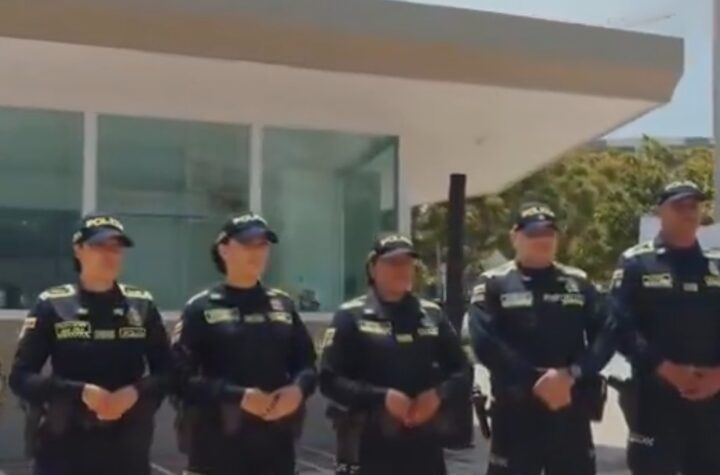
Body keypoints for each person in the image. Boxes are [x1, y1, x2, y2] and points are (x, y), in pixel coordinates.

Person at [8, 213, 172, 475]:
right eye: (99, 246)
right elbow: (21, 378)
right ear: (79, 249)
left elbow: (169, 373)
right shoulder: (54, 304)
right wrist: (80, 392)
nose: (109, 254)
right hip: (64, 452)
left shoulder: (140, 305)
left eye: (116, 248)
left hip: (127, 452)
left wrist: (134, 392)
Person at [468, 202, 615, 475]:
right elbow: (485, 343)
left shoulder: (579, 282)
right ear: (515, 237)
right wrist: (537, 381)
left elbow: (606, 334)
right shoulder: (493, 283)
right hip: (516, 414)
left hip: (570, 409)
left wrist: (571, 374)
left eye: (549, 232)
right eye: (533, 233)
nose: (543, 239)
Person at [172, 213, 317, 475]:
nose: (257, 252)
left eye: (263, 245)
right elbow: (178, 379)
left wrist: (298, 390)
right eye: (247, 244)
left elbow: (307, 364)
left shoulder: (282, 305)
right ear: (224, 250)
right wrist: (237, 396)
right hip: (216, 451)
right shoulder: (201, 308)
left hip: (275, 449)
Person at [319, 234, 472, 475]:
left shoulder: (431, 314)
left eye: (407, 263)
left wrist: (438, 394)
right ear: (373, 268)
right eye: (392, 262)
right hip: (369, 446)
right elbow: (329, 379)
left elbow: (462, 370)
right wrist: (382, 398)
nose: (401, 269)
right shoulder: (350, 316)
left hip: (424, 448)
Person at [609, 180, 720, 474]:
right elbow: (619, 326)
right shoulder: (636, 263)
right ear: (661, 212)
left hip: (712, 403)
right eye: (679, 206)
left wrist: (718, 376)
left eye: (693, 205)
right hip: (655, 400)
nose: (688, 212)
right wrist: (664, 367)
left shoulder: (716, 264)